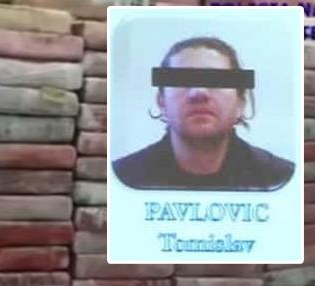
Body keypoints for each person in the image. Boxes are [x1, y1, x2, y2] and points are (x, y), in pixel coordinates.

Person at [112, 37, 295, 191]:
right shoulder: (122, 178)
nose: (198, 92)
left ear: (241, 103)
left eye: (216, 80)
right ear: (161, 102)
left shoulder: (281, 179)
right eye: (182, 80)